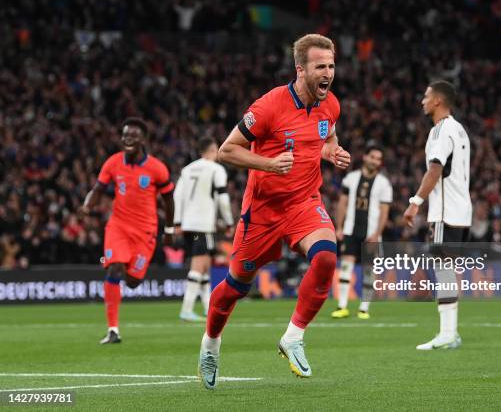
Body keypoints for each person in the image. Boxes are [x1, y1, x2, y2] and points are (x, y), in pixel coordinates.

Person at [198, 33, 351, 389]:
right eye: (320, 66)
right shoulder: (269, 106)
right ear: (301, 69)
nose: (328, 72)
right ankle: (211, 343)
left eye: (331, 65)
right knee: (236, 286)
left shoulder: (331, 105)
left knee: (327, 257)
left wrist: (332, 152)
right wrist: (268, 164)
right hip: (263, 211)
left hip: (304, 202)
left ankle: (293, 337)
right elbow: (226, 151)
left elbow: (326, 138)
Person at [80, 117, 175, 344]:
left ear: (143, 139)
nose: (128, 139)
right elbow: (98, 188)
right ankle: (113, 330)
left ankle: (132, 274)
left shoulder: (156, 168)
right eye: (125, 135)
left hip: (145, 231)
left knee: (133, 281)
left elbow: (169, 200)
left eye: (133, 135)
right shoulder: (113, 163)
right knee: (114, 269)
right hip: (118, 226)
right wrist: (87, 205)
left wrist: (170, 229)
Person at [403, 81, 472, 350]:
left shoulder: (442, 131)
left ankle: (446, 333)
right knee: (451, 271)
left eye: (426, 96)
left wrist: (415, 202)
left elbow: (435, 170)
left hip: (445, 212)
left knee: (443, 270)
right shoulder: (460, 130)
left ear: (438, 102)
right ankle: (451, 332)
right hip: (462, 210)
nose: (422, 100)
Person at [174, 137, 234, 322]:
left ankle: (209, 308)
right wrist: (229, 222)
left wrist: (177, 222)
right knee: (199, 265)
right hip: (203, 224)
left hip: (187, 224)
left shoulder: (187, 169)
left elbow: (177, 196)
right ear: (212, 150)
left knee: (205, 265)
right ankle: (187, 309)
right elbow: (223, 199)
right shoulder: (216, 169)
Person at [332, 145, 392, 319]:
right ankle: (342, 306)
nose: (375, 161)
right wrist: (339, 227)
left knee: (369, 271)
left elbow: (384, 211)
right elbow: (342, 203)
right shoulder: (351, 178)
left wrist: (377, 234)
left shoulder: (383, 184)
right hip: (350, 230)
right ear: (365, 157)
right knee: (345, 266)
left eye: (378, 159)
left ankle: (364, 308)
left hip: (371, 233)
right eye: (372, 157)